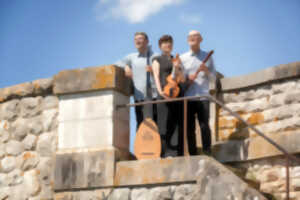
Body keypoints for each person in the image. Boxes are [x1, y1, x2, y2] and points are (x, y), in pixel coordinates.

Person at [180, 30, 216, 155]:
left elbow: (213, 78)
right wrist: (185, 78)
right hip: (188, 97)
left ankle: (207, 151)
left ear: (200, 39)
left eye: (195, 36)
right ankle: (193, 154)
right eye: (190, 36)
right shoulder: (182, 58)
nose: (192, 38)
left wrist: (206, 71)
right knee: (189, 128)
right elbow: (178, 78)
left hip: (203, 96)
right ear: (187, 40)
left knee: (204, 125)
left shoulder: (208, 56)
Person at [152, 35, 185, 157]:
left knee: (175, 123)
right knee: (163, 124)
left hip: (176, 94)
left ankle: (175, 152)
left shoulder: (176, 59)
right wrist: (160, 92)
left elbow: (181, 79)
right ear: (160, 46)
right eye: (165, 43)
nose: (168, 45)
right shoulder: (157, 59)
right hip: (164, 94)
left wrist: (177, 68)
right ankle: (164, 152)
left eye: (170, 42)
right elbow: (155, 77)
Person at [117, 32, 158, 128]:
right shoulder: (131, 57)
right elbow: (117, 64)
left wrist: (153, 71)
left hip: (155, 96)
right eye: (135, 39)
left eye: (140, 39)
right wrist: (126, 66)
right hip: (139, 98)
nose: (137, 41)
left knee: (156, 126)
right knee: (141, 126)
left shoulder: (155, 56)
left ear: (147, 41)